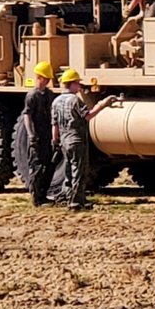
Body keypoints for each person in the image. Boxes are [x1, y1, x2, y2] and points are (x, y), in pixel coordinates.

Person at [51, 68, 118, 210]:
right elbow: (87, 116)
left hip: (64, 141)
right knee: (79, 171)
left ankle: (67, 197)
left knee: (69, 171)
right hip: (76, 140)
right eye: (77, 83)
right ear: (70, 83)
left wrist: (55, 141)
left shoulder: (56, 101)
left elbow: (54, 124)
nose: (79, 86)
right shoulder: (75, 100)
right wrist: (102, 105)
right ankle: (76, 202)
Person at [24, 61, 56, 206]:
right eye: (46, 78)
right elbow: (27, 115)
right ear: (40, 78)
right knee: (37, 166)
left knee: (48, 165)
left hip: (47, 135)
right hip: (37, 136)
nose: (48, 81)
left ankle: (44, 195)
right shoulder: (32, 96)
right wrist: (31, 135)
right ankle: (36, 197)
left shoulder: (50, 95)